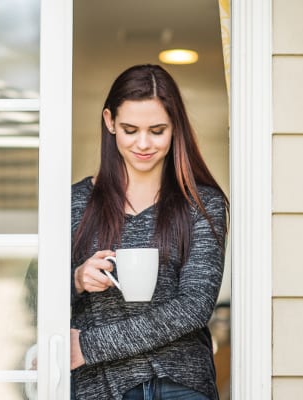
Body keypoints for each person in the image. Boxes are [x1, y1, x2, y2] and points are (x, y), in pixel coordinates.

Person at [69, 64, 228, 400]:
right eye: (130, 129)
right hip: (101, 387)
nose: (144, 143)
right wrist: (77, 279)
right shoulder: (74, 203)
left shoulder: (203, 204)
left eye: (157, 131)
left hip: (181, 386)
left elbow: (195, 307)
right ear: (109, 121)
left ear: (175, 129)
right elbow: (32, 294)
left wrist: (90, 346)